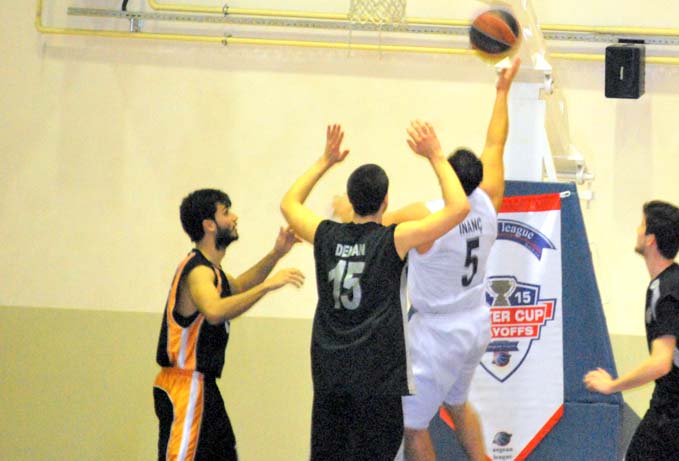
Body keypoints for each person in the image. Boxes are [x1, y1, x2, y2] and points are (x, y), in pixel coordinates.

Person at [333, 58, 521, 461]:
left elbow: (372, 221)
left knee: (412, 425)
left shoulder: (428, 215)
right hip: (475, 323)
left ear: (447, 173)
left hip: (438, 334)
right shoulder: (490, 200)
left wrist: (343, 209)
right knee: (458, 404)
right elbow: (496, 143)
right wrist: (502, 91)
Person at [280, 121, 470, 461]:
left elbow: (289, 203)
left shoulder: (325, 235)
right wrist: (436, 156)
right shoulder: (393, 239)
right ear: (385, 201)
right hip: (376, 380)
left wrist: (325, 161)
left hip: (330, 376)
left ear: (351, 201)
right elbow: (459, 209)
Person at [154, 188, 305, 461]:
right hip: (185, 386)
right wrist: (268, 287)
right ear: (209, 225)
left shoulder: (214, 272)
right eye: (226, 212)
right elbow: (214, 311)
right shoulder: (198, 272)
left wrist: (276, 253)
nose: (234, 217)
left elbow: (239, 287)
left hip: (204, 386)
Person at [584, 200, 679, 461]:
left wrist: (612, 386)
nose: (637, 230)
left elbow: (660, 363)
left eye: (641, 225)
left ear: (651, 239)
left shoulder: (666, 291)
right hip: (668, 403)